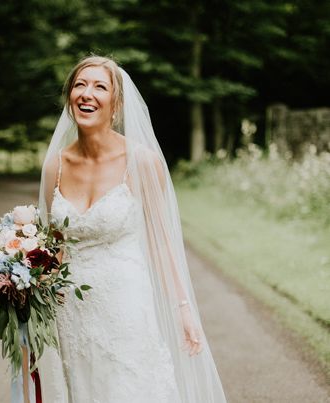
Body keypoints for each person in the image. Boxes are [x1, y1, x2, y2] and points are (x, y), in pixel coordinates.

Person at [33, 55, 227, 403]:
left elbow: (161, 243)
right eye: (79, 85)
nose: (86, 94)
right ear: (69, 97)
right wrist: (19, 289)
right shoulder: (55, 166)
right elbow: (52, 247)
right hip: (70, 312)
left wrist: (183, 309)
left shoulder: (142, 161)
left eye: (99, 87)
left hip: (125, 306)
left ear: (116, 105)